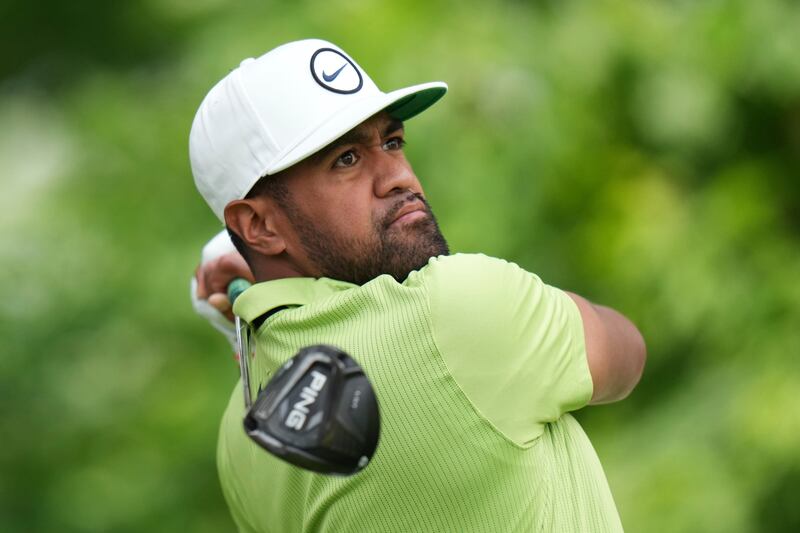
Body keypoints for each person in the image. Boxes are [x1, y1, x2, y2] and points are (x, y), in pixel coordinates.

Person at [189, 38, 646, 532]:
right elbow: (627, 353)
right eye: (346, 159)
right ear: (258, 227)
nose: (399, 176)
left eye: (392, 142)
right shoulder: (457, 309)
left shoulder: (242, 434)